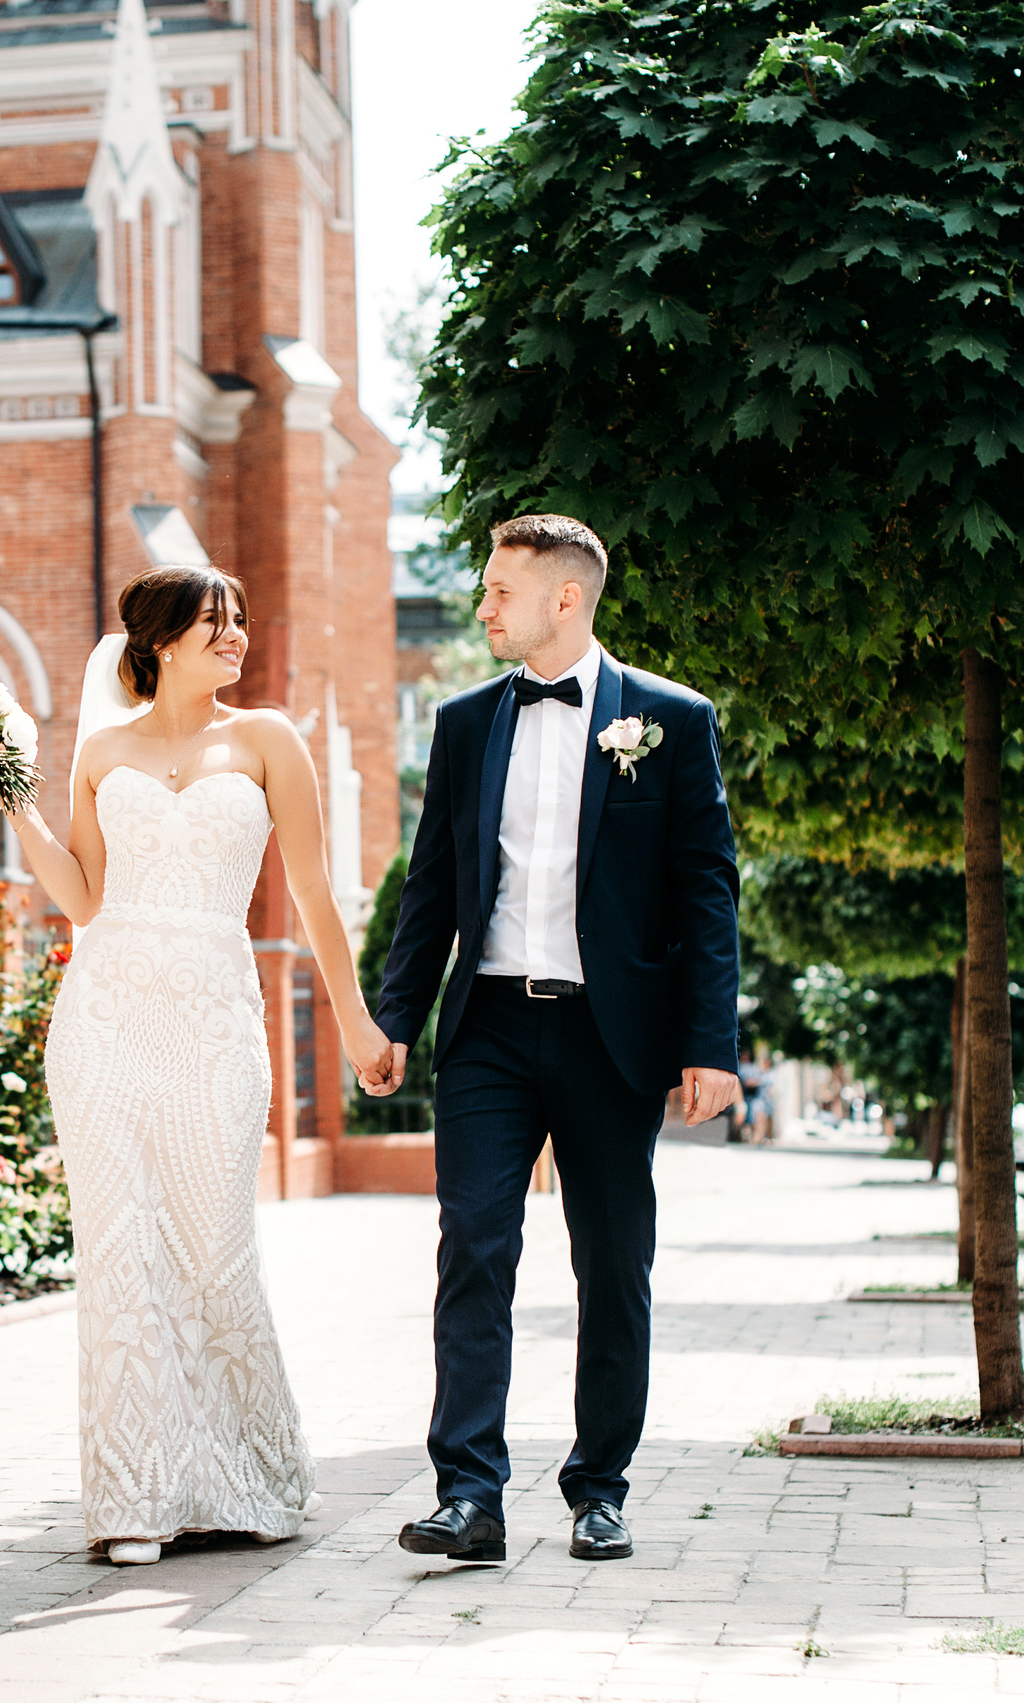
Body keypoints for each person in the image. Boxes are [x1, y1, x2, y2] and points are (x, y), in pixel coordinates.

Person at [0, 565, 397, 1567]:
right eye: (215, 623)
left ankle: (244, 1476)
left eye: (240, 620)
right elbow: (82, 898)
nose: (236, 636)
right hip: (104, 1019)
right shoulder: (101, 749)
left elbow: (314, 899)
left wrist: (359, 1023)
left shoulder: (267, 741)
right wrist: (17, 806)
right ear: (159, 640)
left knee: (213, 1247)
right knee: (120, 1251)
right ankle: (131, 1499)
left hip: (211, 1018)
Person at [367, 513, 741, 1565]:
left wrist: (711, 1041)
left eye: (497, 588)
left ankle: (599, 1488)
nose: (482, 604)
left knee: (612, 1264)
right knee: (473, 1247)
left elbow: (706, 889)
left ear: (563, 597)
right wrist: (396, 1015)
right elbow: (429, 888)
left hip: (609, 1032)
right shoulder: (461, 722)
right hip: (487, 1024)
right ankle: (469, 1494)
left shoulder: (671, 719)